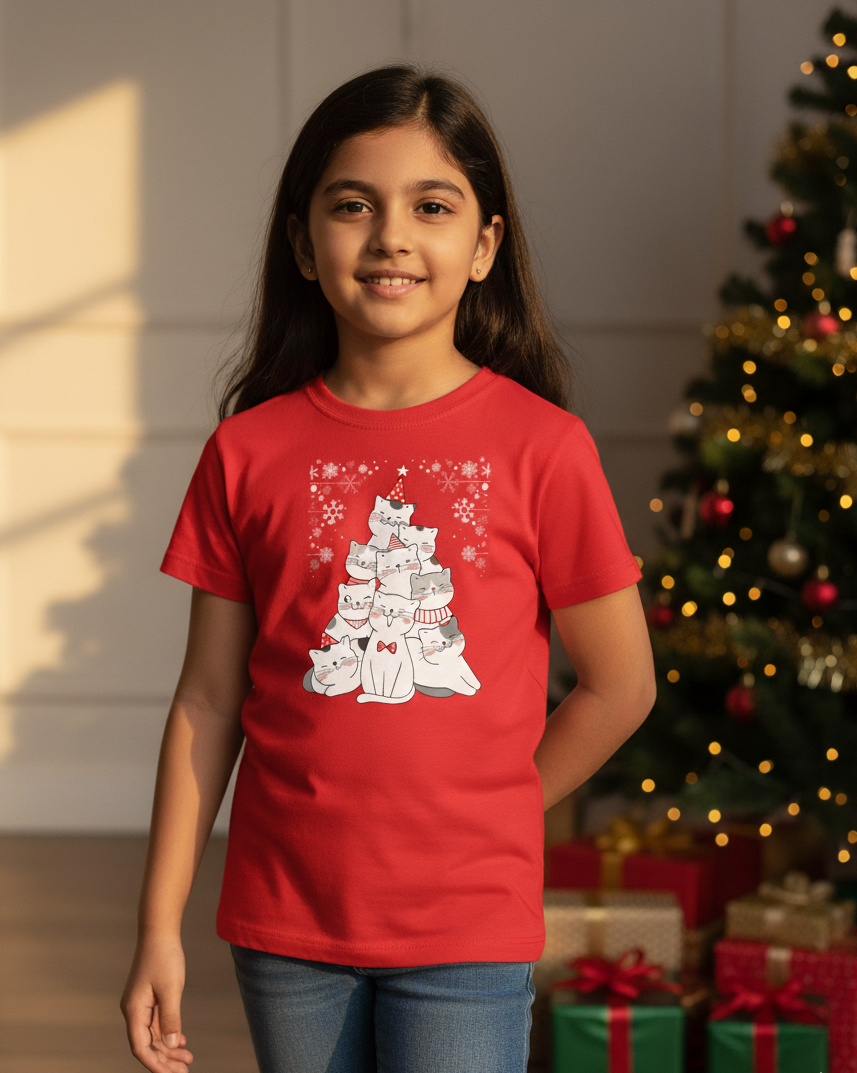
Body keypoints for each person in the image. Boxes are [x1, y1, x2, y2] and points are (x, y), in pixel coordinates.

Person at [119, 62, 656, 1073]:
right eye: (353, 205)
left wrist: (496, 807)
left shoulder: (545, 447)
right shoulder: (247, 451)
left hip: (469, 924)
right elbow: (206, 700)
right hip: (285, 922)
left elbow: (623, 683)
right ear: (301, 240)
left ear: (485, 243)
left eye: (433, 205)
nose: (391, 237)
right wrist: (158, 924)